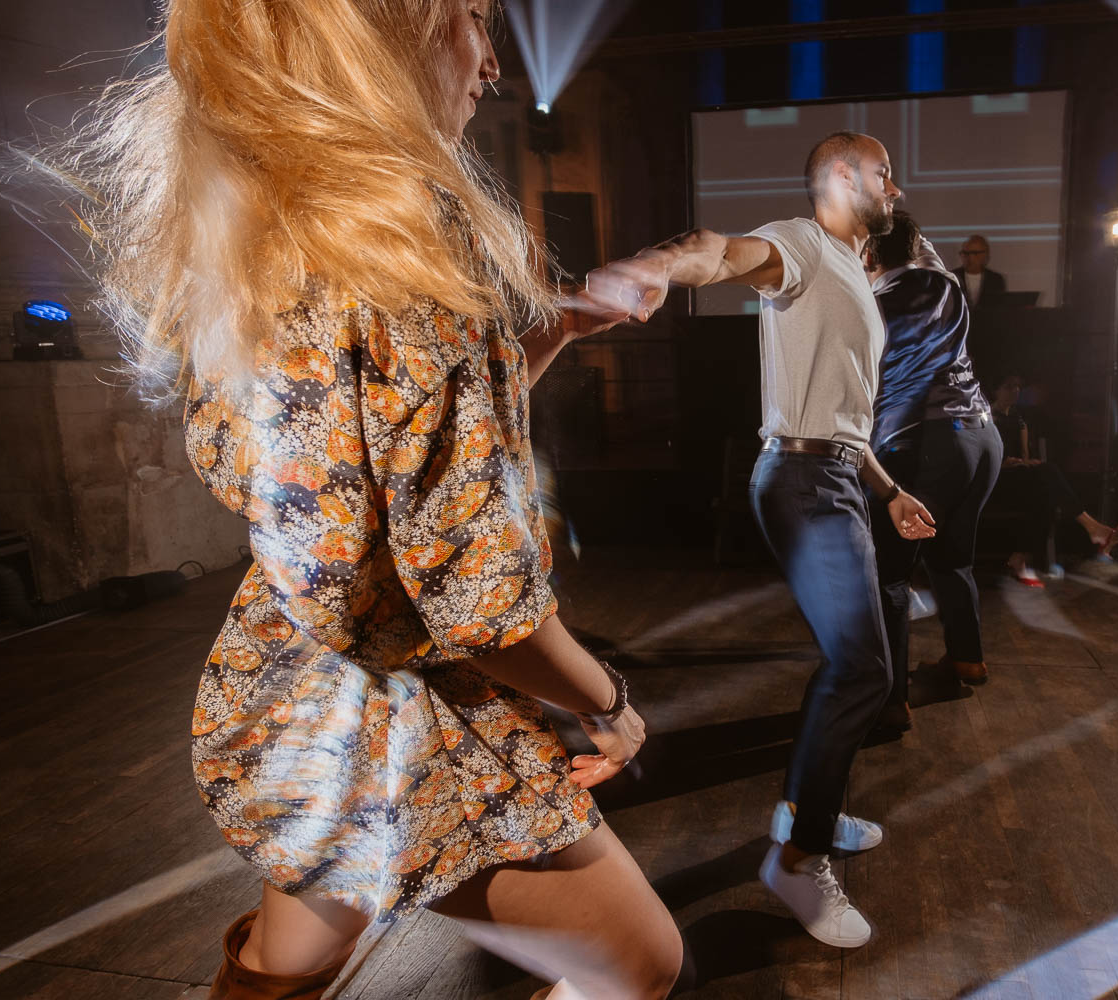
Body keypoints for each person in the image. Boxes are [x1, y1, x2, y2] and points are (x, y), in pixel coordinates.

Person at [46, 2, 682, 998]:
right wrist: (610, 702)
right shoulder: (401, 228)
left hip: (294, 697)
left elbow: (387, 448)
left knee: (282, 967)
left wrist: (550, 334)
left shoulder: (272, 220)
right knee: (641, 960)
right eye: (474, 17)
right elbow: (476, 596)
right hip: (392, 716)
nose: (492, 65)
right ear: (385, 29)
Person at [584, 130, 933, 949]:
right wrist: (662, 265)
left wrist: (889, 492)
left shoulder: (852, 269)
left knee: (867, 666)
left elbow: (842, 421)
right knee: (861, 668)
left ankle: (821, 811)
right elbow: (720, 254)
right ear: (843, 176)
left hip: (838, 475)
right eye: (884, 171)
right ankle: (798, 857)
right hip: (805, 483)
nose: (896, 185)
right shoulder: (802, 243)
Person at [865, 212, 1004, 710]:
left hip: (931, 443)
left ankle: (891, 700)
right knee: (952, 558)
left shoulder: (873, 303)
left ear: (869, 254)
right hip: (982, 437)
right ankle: (967, 659)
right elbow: (914, 246)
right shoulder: (945, 281)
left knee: (890, 575)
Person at [990, 375, 1118, 585]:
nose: (1015, 391)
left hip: (1018, 478)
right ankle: (1094, 530)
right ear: (996, 391)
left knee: (1047, 496)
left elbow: (1024, 455)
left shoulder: (1019, 420)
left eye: (1018, 386)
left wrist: (1027, 462)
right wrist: (1004, 464)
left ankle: (1019, 560)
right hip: (995, 480)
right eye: (1009, 387)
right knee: (1048, 475)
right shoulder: (988, 417)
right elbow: (984, 457)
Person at [953, 234, 1008, 310]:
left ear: (986, 255)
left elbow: (1000, 307)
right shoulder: (952, 277)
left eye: (975, 253)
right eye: (966, 253)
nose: (970, 258)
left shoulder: (996, 279)